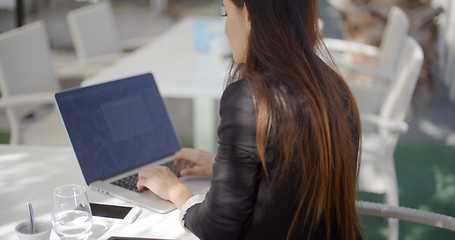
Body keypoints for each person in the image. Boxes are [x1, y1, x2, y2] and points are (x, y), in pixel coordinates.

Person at [136, 0, 362, 239]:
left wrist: (174, 189)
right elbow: (299, 175)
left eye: (226, 12)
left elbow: (216, 227)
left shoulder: (250, 99)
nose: (225, 29)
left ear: (249, 15)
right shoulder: (333, 85)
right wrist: (226, 165)